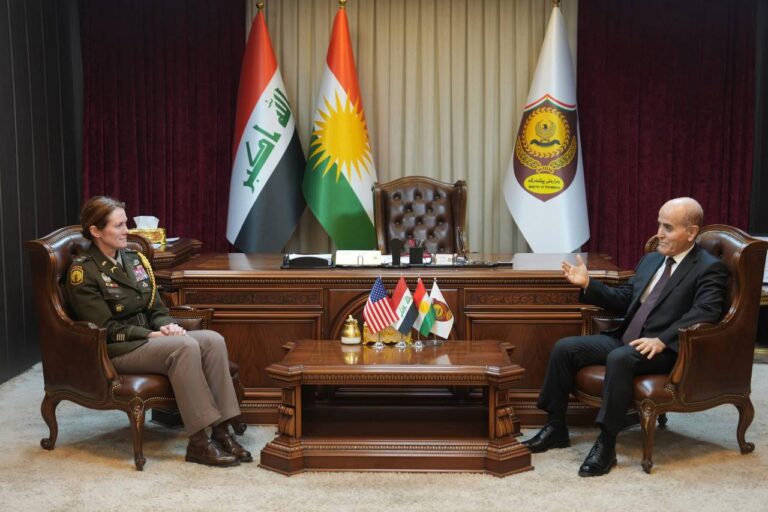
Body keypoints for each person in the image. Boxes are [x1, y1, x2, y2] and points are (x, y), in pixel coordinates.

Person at [522, 197, 728, 477]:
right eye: (659, 224)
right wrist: (588, 284)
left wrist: (663, 340)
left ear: (691, 232)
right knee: (565, 348)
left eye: (668, 228)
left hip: (666, 350)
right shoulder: (652, 260)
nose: (658, 234)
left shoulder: (709, 267)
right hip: (627, 338)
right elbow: (626, 298)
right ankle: (556, 426)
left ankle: (606, 445)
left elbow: (706, 312)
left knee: (620, 358)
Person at [65, 196, 250, 467]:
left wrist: (166, 324)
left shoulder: (134, 260)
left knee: (213, 340)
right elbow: (104, 328)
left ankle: (222, 432)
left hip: (151, 340)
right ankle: (198, 442)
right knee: (184, 346)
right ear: (96, 231)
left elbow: (155, 307)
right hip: (117, 349)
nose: (126, 231)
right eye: (118, 226)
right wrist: (150, 335)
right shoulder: (84, 272)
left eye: (125, 223)